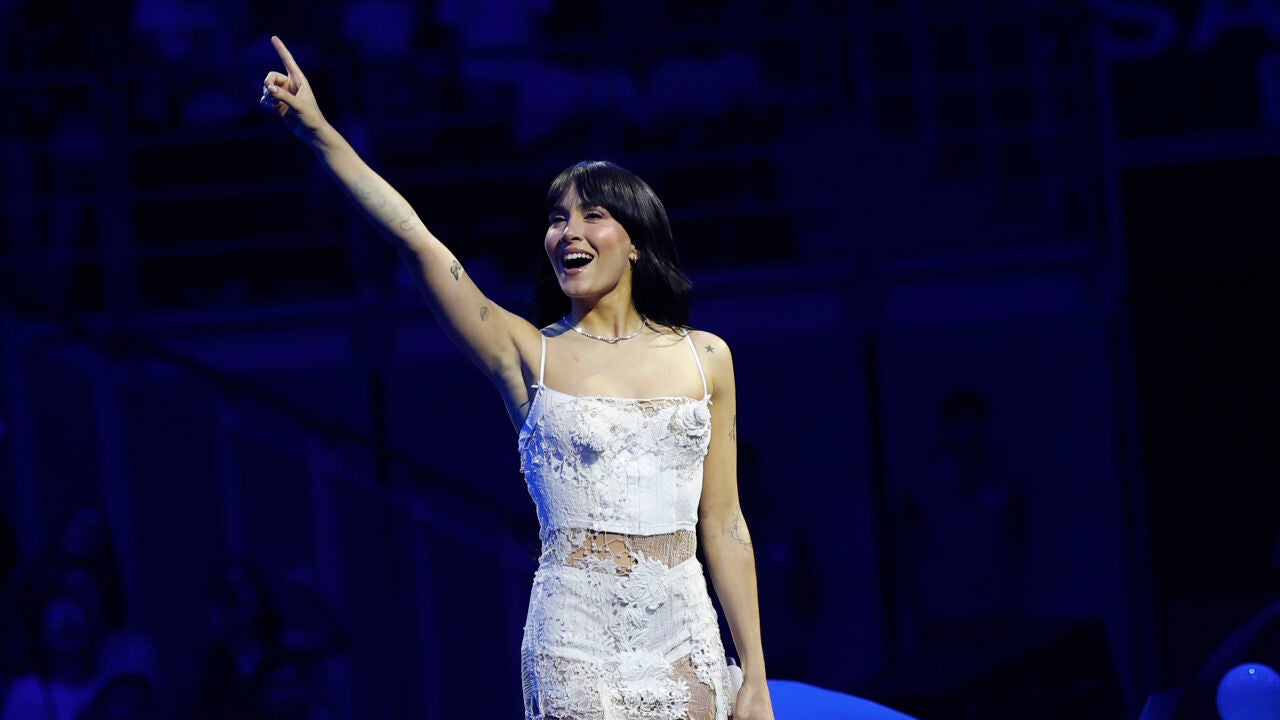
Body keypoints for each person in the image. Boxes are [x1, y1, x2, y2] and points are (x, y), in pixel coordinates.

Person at [260, 35, 773, 720]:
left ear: (636, 241)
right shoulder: (528, 353)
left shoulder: (706, 358)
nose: (569, 231)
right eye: (558, 219)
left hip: (686, 634)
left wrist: (755, 675)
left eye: (592, 215)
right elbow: (418, 242)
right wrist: (321, 134)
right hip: (576, 638)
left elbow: (726, 522)